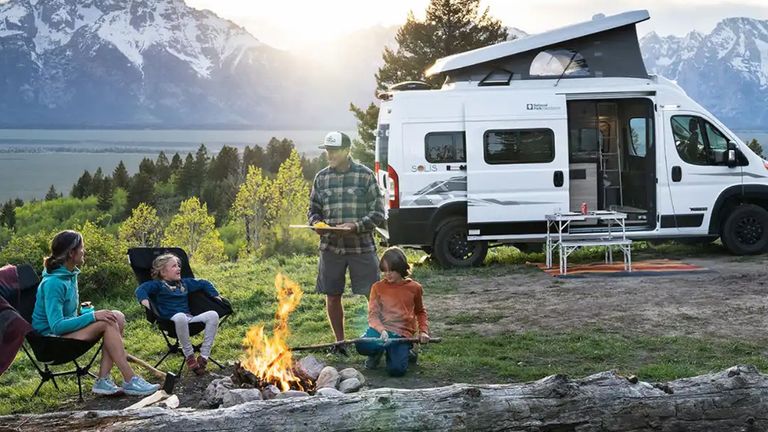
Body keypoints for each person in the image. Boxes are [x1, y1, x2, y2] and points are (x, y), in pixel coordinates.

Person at [31, 230, 159, 396]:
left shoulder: (69, 275)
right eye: (81, 248)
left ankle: (103, 381)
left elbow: (68, 316)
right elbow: (56, 326)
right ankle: (130, 379)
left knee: (117, 316)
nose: (84, 251)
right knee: (107, 323)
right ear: (71, 253)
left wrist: (89, 314)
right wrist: (93, 316)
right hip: (50, 342)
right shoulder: (54, 283)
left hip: (62, 334)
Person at [308, 131, 385, 355]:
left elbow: (378, 213)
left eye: (334, 150)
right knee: (332, 295)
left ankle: (381, 338)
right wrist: (316, 224)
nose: (329, 155)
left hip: (361, 246)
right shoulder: (321, 178)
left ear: (347, 150)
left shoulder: (365, 175)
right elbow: (313, 210)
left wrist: (356, 226)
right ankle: (340, 343)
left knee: (372, 295)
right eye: (327, 150)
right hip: (331, 247)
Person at [135, 253, 222, 375]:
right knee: (180, 316)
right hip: (169, 321)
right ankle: (189, 355)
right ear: (163, 272)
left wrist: (215, 295)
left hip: (188, 318)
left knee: (213, 315)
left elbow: (203, 283)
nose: (179, 268)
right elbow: (140, 289)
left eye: (178, 265)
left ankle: (204, 356)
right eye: (174, 266)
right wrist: (146, 302)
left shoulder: (184, 283)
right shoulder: (158, 285)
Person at [355, 247, 430, 377]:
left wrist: (423, 331)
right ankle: (377, 352)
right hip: (381, 332)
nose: (387, 274)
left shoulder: (414, 288)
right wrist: (382, 330)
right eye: (385, 270)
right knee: (361, 345)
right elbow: (373, 315)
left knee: (396, 370)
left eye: (392, 270)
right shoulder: (377, 287)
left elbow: (420, 312)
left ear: (401, 268)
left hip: (401, 334)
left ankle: (406, 352)